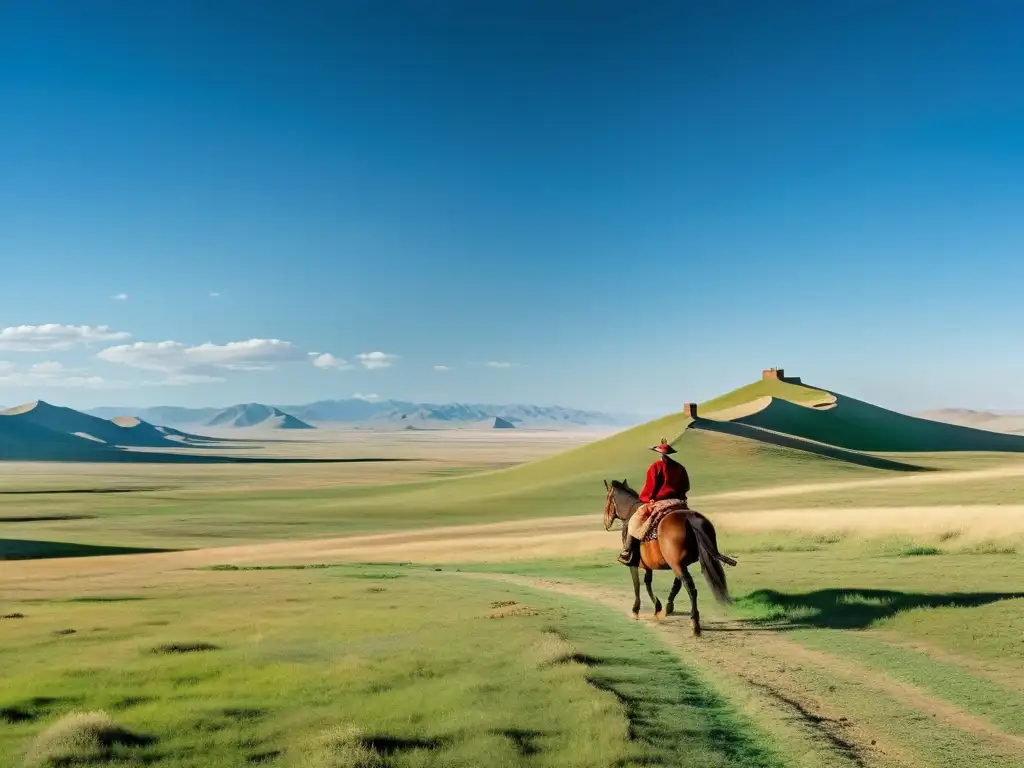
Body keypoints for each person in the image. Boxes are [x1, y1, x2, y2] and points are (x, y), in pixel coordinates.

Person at [618, 439, 690, 565]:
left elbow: (650, 487)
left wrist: (645, 498)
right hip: (679, 503)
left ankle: (627, 550)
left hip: (660, 503)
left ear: (659, 453)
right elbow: (686, 486)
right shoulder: (680, 468)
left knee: (635, 519)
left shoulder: (656, 467)